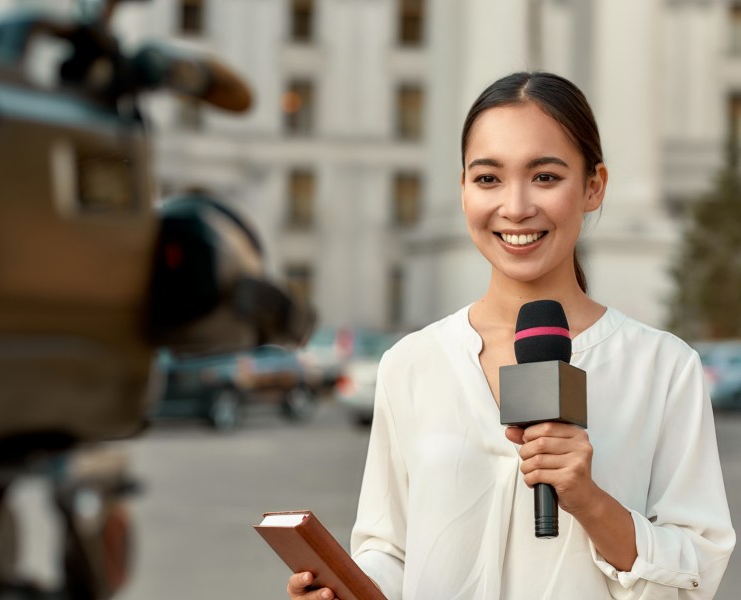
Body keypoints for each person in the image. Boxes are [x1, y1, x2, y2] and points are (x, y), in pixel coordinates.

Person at [286, 71, 736, 599]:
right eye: (488, 178)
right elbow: (391, 548)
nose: (516, 206)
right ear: (462, 191)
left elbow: (695, 574)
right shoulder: (412, 362)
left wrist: (590, 501)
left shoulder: (662, 369)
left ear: (594, 187)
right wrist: (347, 589)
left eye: (545, 177)